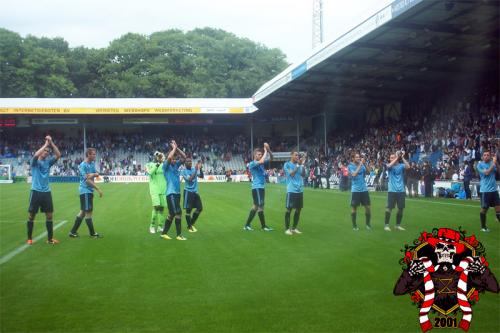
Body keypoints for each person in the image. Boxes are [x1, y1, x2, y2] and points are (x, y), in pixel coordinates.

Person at [26, 135, 61, 245]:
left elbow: (58, 155)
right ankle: (29, 238)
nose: (46, 152)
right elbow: (36, 155)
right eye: (45, 151)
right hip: (35, 191)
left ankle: (50, 239)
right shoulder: (34, 162)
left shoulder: (48, 162)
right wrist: (46, 144)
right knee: (31, 215)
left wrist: (52, 143)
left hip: (46, 192)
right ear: (41, 151)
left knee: (49, 215)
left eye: (48, 151)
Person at [69, 148, 103, 238]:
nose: (95, 156)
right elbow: (87, 179)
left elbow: (91, 175)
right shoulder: (82, 165)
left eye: (95, 154)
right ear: (88, 154)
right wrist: (98, 188)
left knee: (83, 212)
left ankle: (73, 232)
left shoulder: (91, 164)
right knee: (88, 212)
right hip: (85, 190)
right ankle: (92, 233)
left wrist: (94, 175)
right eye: (93, 154)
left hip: (88, 190)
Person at [243, 143, 274, 231]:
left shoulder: (261, 163)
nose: (260, 156)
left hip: (260, 187)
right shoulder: (252, 163)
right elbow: (261, 161)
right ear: (254, 155)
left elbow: (272, 158)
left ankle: (252, 225)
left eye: (261, 154)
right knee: (259, 205)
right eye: (258, 154)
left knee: (258, 206)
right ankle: (256, 226)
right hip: (257, 187)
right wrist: (265, 151)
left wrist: (269, 150)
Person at [160, 140, 187, 240]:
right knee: (178, 212)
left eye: (175, 158)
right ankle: (179, 235)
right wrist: (173, 148)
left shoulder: (175, 166)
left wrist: (177, 148)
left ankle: (164, 233)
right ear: (169, 159)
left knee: (171, 214)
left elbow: (184, 157)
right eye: (173, 158)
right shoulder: (165, 167)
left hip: (176, 193)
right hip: (170, 193)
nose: (175, 159)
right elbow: (170, 157)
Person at [384, 151, 410, 231]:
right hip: (392, 190)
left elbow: (408, 167)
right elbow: (389, 165)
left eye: (393, 157)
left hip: (401, 190)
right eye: (390, 158)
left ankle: (397, 225)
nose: (391, 159)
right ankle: (386, 225)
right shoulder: (389, 166)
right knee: (389, 208)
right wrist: (396, 157)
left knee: (401, 208)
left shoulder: (401, 165)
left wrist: (402, 157)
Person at [283, 151, 306, 235]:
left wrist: (303, 165)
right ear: (291, 155)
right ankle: (287, 229)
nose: (297, 156)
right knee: (289, 209)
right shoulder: (287, 164)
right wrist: (298, 165)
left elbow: (303, 175)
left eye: (298, 155)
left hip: (300, 190)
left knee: (298, 209)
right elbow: (292, 174)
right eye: (296, 155)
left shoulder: (299, 165)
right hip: (291, 190)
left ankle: (294, 228)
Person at [476, 151, 500, 232]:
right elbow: (486, 173)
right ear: (482, 156)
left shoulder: (492, 163)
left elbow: (498, 171)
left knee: (498, 209)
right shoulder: (479, 165)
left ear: (490, 156)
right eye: (484, 155)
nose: (486, 156)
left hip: (494, 191)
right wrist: (493, 164)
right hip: (485, 191)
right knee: (484, 209)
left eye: (488, 155)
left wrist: (496, 163)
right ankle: (483, 227)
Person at [348, 153, 371, 231]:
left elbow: (369, 172)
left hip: (364, 189)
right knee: (354, 208)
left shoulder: (362, 165)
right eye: (357, 157)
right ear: (353, 158)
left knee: (368, 207)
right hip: (355, 190)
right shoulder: (350, 166)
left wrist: (364, 163)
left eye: (359, 157)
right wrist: (360, 164)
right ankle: (354, 225)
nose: (358, 158)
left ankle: (368, 224)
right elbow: (354, 174)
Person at [145, 151, 167, 233]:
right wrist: (158, 163)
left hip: (163, 189)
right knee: (156, 207)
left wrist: (163, 160)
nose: (158, 156)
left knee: (161, 208)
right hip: (154, 189)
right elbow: (150, 172)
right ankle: (152, 226)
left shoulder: (164, 164)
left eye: (160, 155)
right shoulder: (148, 164)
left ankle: (160, 226)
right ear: (154, 156)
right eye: (157, 155)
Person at [182, 158, 203, 233]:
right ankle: (190, 227)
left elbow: (201, 176)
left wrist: (201, 168)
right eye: (187, 161)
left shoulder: (194, 169)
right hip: (188, 192)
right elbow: (190, 179)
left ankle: (191, 224)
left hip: (195, 192)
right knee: (188, 211)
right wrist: (196, 170)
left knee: (200, 208)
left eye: (190, 161)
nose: (190, 162)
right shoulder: (183, 171)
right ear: (185, 163)